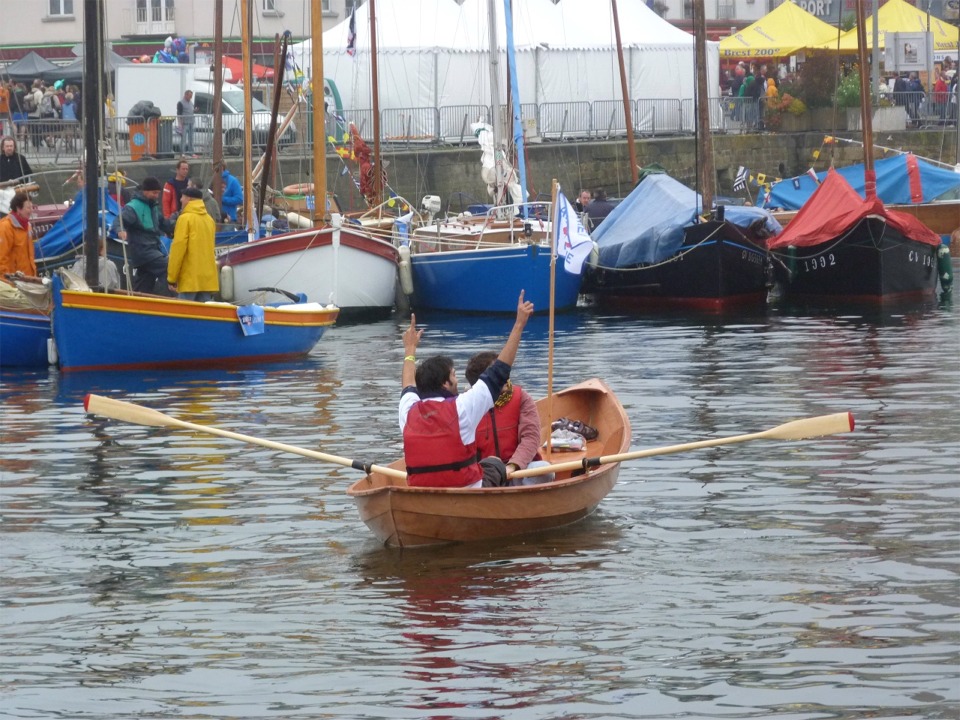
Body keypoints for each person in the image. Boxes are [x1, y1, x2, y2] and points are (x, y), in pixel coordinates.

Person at [400, 291, 535, 489]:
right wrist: (519, 324)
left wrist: (410, 349)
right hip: (466, 491)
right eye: (454, 375)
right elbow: (500, 370)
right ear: (445, 384)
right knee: (494, 463)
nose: (457, 380)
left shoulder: (408, 410)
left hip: (422, 493)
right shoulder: (462, 406)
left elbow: (408, 384)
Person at [465, 350, 554, 486]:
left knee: (544, 469)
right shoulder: (466, 404)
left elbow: (531, 437)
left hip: (519, 471)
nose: (506, 377)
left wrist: (512, 466)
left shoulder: (521, 398)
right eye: (499, 374)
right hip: (486, 475)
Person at [113, 176, 172, 294]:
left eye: (158, 193)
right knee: (169, 267)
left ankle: (137, 305)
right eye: (154, 193)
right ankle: (171, 298)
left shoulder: (153, 206)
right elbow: (119, 220)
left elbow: (163, 223)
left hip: (151, 249)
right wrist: (120, 230)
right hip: (143, 250)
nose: (157, 196)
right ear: (145, 191)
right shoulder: (133, 207)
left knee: (144, 284)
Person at [167, 187, 217, 301]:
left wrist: (172, 277)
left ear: (188, 199)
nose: (180, 200)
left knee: (184, 314)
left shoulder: (185, 219)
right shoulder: (209, 220)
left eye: (182, 197)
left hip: (189, 278)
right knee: (204, 314)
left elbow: (178, 249)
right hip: (207, 279)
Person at [0, 191, 37, 278]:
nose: (31, 210)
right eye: (28, 208)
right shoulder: (5, 227)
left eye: (32, 207)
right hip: (14, 281)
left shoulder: (27, 226)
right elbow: (1, 258)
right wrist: (7, 283)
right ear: (18, 209)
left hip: (28, 279)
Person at [176, 89, 196, 156]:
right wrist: (180, 123)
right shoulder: (180, 103)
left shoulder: (191, 103)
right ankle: (182, 152)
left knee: (191, 138)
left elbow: (191, 111)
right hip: (184, 124)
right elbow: (179, 113)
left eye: (191, 96)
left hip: (191, 123)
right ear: (186, 95)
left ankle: (191, 152)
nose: (190, 97)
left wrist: (195, 110)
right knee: (183, 139)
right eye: (189, 96)